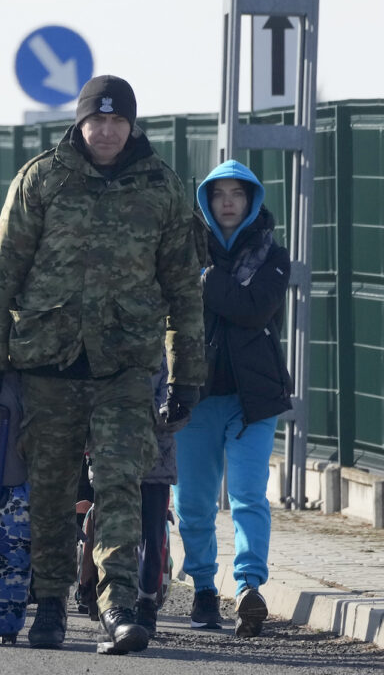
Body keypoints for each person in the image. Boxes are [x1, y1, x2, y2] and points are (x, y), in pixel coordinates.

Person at [0, 75, 205, 654]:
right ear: (79, 123)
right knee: (51, 493)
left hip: (125, 367)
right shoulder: (41, 178)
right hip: (48, 363)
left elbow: (183, 288)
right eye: (96, 121)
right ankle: (48, 604)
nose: (106, 132)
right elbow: (3, 274)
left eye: (117, 121)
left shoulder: (162, 187)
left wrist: (187, 375)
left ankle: (120, 605)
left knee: (121, 481)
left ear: (132, 125)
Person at [173, 160, 291, 639]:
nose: (227, 202)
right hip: (195, 397)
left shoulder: (272, 255)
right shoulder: (180, 254)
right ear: (205, 201)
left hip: (252, 400)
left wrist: (204, 279)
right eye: (217, 194)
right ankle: (204, 586)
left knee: (247, 495)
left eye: (236, 194)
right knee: (194, 503)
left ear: (251, 201)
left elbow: (252, 308)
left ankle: (248, 589)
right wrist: (205, 277)